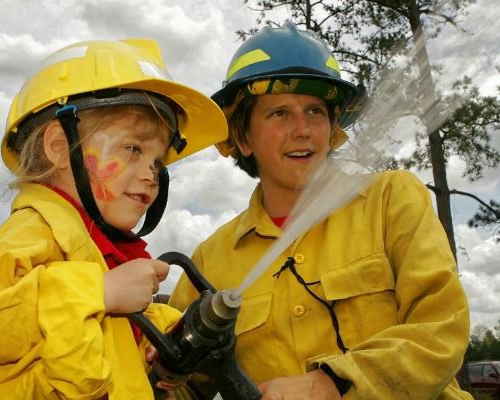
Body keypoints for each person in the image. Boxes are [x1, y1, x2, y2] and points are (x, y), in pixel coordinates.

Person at [169, 22, 472, 400]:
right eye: (279, 113)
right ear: (243, 137)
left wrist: (334, 382)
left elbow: (442, 328)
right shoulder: (209, 261)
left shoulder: (391, 199)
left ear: (332, 129)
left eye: (315, 111)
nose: (304, 130)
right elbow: (181, 384)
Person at [0, 38, 227, 399]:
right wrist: (98, 292)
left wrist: (165, 339)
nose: (152, 174)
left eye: (157, 161)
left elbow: (104, 349)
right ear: (60, 147)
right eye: (133, 149)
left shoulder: (100, 253)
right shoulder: (31, 236)